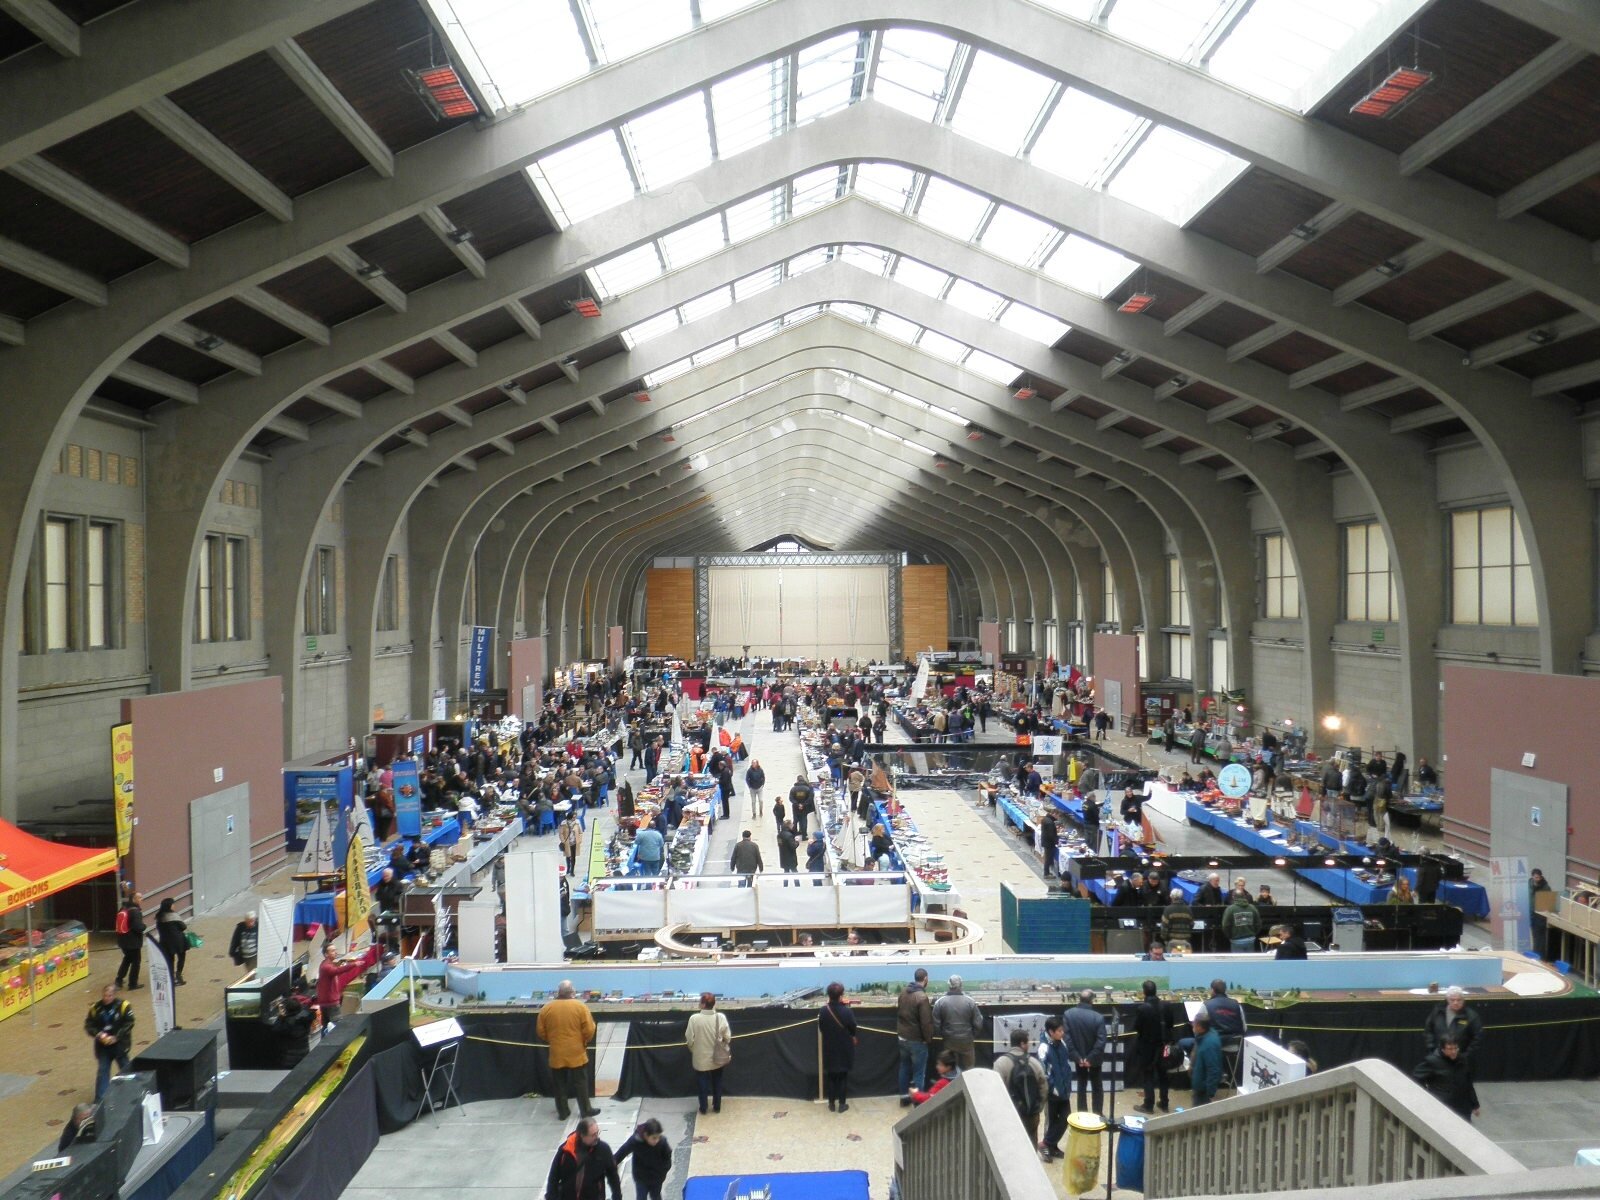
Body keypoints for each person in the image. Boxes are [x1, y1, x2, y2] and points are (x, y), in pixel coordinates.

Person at [538, 979, 599, 1121]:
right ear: (572, 992)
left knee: (559, 1084)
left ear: (558, 992)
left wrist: (552, 1041)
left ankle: (563, 1112)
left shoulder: (547, 1009)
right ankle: (586, 1110)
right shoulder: (580, 1007)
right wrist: (584, 1041)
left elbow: (541, 1031)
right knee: (581, 1082)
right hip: (576, 1052)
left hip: (557, 1053)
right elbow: (589, 1029)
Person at [546, 1116, 623, 1200]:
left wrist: (617, 1197)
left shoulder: (603, 1149)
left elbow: (613, 1176)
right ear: (582, 1135)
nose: (597, 1137)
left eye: (597, 1133)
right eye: (593, 1135)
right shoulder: (566, 1150)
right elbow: (553, 1177)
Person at [994, 1028, 1046, 1148]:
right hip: (1031, 1114)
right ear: (1022, 1044)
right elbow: (1043, 1087)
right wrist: (1038, 1107)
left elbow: (995, 1090)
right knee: (1031, 1146)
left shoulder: (1000, 1063)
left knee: (1010, 1147)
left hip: (1009, 1115)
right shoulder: (1034, 1063)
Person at [684, 991, 732, 1115]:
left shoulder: (694, 1018)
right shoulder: (720, 1017)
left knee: (702, 1082)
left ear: (704, 1004)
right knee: (717, 1080)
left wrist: (693, 1048)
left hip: (700, 1057)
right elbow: (728, 1037)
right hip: (717, 1057)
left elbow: (689, 1038)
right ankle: (717, 1106)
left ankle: (703, 1107)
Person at [1412, 1035, 1479, 1122]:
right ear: (1443, 1049)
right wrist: (1427, 1094)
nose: (1454, 1051)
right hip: (1443, 1106)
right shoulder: (1432, 1061)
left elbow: (1468, 1084)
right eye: (1450, 1049)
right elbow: (1416, 1077)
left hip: (1462, 1106)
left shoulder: (1462, 1060)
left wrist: (1475, 1104)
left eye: (1456, 1048)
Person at [85, 983, 134, 1100]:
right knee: (103, 1070)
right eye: (105, 995)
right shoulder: (95, 1008)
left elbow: (129, 1023)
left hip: (119, 1045)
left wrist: (116, 1037)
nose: (106, 998)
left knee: (125, 1068)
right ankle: (100, 1099)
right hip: (103, 1046)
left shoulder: (123, 1006)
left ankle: (133, 1092)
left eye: (109, 996)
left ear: (114, 995)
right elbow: (89, 1024)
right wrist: (98, 1034)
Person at [316, 940, 381, 1025]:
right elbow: (338, 970)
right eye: (332, 951)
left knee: (326, 1026)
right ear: (326, 954)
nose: (335, 952)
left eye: (335, 950)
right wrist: (354, 964)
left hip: (326, 1002)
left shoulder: (325, 964)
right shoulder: (326, 967)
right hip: (331, 1003)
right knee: (336, 1026)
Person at [1064, 989, 1107, 1115]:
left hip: (1079, 1058)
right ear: (1092, 1000)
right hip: (1094, 1059)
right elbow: (1101, 1041)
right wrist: (1091, 1058)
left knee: (1081, 1085)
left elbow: (1067, 1038)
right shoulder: (1098, 1018)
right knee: (1097, 1086)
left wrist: (1078, 1057)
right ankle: (1097, 1113)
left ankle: (1082, 1113)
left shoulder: (1068, 1014)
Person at [818, 981, 858, 1113]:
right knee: (842, 1076)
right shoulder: (847, 1012)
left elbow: (822, 1028)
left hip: (829, 1047)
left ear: (829, 995)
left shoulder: (823, 1011)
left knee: (831, 1076)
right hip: (844, 1047)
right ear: (841, 995)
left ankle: (831, 1103)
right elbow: (853, 1028)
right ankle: (842, 1104)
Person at [896, 967, 934, 1105]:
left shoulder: (903, 992)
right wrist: (928, 1038)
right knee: (919, 1073)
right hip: (917, 1041)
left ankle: (904, 1098)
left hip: (902, 1038)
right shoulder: (922, 997)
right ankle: (918, 1103)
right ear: (925, 979)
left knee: (904, 1068)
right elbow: (926, 1022)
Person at [1132, 979, 1170, 1114]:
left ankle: (1148, 1105)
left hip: (1147, 1046)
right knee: (1163, 1074)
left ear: (1144, 992)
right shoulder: (1165, 1005)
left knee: (1148, 1074)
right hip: (1164, 1045)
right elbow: (1170, 1024)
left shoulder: (1142, 1008)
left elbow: (1137, 1027)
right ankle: (1164, 1103)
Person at [1038, 1016, 1073, 1161]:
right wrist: (1052, 1088)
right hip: (1052, 1092)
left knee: (1065, 1118)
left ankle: (1050, 1145)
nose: (1062, 1033)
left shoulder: (1061, 1043)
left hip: (1064, 1089)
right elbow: (1043, 1072)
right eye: (1059, 1031)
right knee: (1052, 1120)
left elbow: (1065, 1064)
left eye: (1062, 1030)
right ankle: (1046, 1145)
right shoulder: (1043, 1048)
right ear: (1051, 1032)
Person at [931, 974, 982, 1070]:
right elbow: (978, 1023)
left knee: (951, 1069)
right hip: (967, 1041)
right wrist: (972, 1035)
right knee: (969, 1069)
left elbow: (935, 1024)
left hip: (949, 1040)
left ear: (949, 985)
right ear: (961, 985)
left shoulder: (940, 1002)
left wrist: (943, 1035)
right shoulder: (970, 1002)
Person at [614, 1118, 672, 1200]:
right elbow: (622, 1152)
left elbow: (667, 1158)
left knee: (656, 1196)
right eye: (654, 1138)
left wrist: (662, 1173)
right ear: (645, 1135)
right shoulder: (635, 1141)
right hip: (641, 1177)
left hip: (656, 1177)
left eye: (658, 1137)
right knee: (641, 1197)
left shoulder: (662, 1142)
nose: (656, 1140)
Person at [1423, 987, 1483, 1061]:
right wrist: (1431, 1049)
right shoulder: (1438, 1011)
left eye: (1459, 1000)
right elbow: (1428, 1030)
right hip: (1437, 1057)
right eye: (1452, 1000)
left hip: (1460, 1059)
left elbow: (1477, 1039)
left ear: (1463, 1000)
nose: (1456, 1002)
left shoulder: (1471, 1016)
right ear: (1447, 1000)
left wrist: (1465, 1056)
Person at [1188, 1013, 1223, 1105]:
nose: (1192, 1025)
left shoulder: (1209, 1045)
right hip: (1199, 1085)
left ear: (1200, 1027)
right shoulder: (1203, 1037)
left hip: (1203, 1091)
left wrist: (1209, 1093)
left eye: (1194, 1023)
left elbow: (1213, 1070)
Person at [154, 897, 188, 985]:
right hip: (178, 941)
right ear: (170, 906)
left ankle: (171, 977)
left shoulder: (159, 917)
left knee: (170, 959)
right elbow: (183, 927)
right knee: (181, 957)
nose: (174, 905)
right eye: (173, 904)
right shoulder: (174, 916)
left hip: (165, 942)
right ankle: (178, 976)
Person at [114, 891, 145, 989]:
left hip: (122, 940)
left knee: (127, 959)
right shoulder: (135, 911)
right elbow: (138, 927)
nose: (141, 900)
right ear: (134, 899)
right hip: (133, 942)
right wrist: (144, 926)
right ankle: (133, 983)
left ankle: (119, 980)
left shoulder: (123, 908)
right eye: (139, 898)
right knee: (136, 962)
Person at [1221, 887, 1261, 952]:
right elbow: (1258, 924)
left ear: (1233, 897)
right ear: (1244, 896)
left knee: (1237, 961)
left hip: (1236, 941)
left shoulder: (1230, 909)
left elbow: (1225, 926)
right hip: (1250, 940)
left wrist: (1230, 936)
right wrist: (1253, 933)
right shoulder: (1252, 908)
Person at [558, 811, 584, 876]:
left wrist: (579, 840)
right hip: (567, 843)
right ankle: (568, 868)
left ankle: (572, 870)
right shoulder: (564, 824)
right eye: (573, 817)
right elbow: (561, 833)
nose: (574, 818)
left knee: (573, 857)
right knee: (567, 856)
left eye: (575, 817)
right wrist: (563, 841)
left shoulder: (577, 823)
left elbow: (580, 832)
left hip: (574, 842)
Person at [1039, 811, 1060, 879]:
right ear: (1054, 814)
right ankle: (1046, 874)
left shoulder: (1046, 819)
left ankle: (1047, 872)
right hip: (1049, 843)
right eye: (1057, 816)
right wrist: (1056, 841)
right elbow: (1051, 835)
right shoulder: (1050, 823)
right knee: (1048, 858)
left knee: (1047, 857)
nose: (1058, 818)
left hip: (1046, 841)